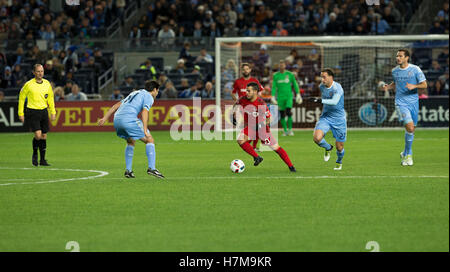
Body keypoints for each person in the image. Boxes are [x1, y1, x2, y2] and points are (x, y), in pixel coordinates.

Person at [98, 80, 165, 179]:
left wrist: (105, 118)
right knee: (149, 140)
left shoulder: (134, 93)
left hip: (117, 120)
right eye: (157, 91)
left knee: (131, 141)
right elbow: (145, 112)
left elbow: (115, 106)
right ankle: (152, 168)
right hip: (128, 120)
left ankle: (128, 171)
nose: (157, 93)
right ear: (154, 89)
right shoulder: (149, 96)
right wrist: (145, 129)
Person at [234, 82, 296, 172]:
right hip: (251, 127)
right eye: (246, 90)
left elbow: (269, 118)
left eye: (248, 91)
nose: (246, 92)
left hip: (262, 129)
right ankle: (257, 157)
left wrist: (260, 125)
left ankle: (291, 166)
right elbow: (236, 104)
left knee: (276, 148)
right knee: (240, 140)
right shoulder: (243, 99)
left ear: (255, 91)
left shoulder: (261, 104)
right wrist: (233, 114)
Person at [382, 49, 427, 166]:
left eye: (400, 56)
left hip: (414, 102)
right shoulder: (395, 71)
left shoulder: (415, 69)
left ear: (407, 58)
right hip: (401, 102)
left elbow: (424, 84)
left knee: (412, 129)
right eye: (397, 56)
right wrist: (388, 87)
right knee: (410, 128)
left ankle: (405, 152)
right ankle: (408, 155)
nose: (398, 58)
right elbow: (395, 83)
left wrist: (414, 86)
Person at [18, 64, 56, 166]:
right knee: (38, 135)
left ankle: (42, 160)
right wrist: (20, 113)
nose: (40, 73)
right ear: (34, 72)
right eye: (38, 71)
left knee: (44, 136)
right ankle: (35, 154)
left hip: (43, 111)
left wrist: (53, 112)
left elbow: (50, 99)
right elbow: (22, 98)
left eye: (42, 71)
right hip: (32, 111)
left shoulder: (47, 84)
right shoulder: (28, 84)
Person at [308, 69, 347, 171]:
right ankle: (328, 147)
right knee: (317, 138)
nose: (322, 79)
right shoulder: (321, 86)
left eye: (324, 77)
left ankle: (339, 161)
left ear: (331, 77)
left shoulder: (337, 88)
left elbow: (334, 101)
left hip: (339, 119)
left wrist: (320, 100)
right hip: (326, 117)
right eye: (321, 77)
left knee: (339, 147)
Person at [232, 63, 264, 150]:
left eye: (247, 69)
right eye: (243, 69)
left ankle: (253, 146)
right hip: (243, 108)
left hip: (254, 107)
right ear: (241, 71)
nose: (245, 71)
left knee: (254, 125)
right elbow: (233, 93)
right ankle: (249, 145)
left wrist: (258, 102)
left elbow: (260, 92)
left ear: (250, 70)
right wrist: (237, 102)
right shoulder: (238, 82)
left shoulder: (254, 81)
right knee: (248, 127)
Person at [271, 60, 303, 136]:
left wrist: (298, 93)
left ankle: (290, 130)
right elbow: (274, 87)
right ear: (279, 66)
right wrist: (272, 96)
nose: (281, 66)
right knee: (282, 114)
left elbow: (295, 84)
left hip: (289, 96)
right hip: (280, 97)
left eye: (283, 65)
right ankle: (285, 130)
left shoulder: (290, 74)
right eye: (280, 65)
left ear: (285, 66)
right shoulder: (276, 75)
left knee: (288, 112)